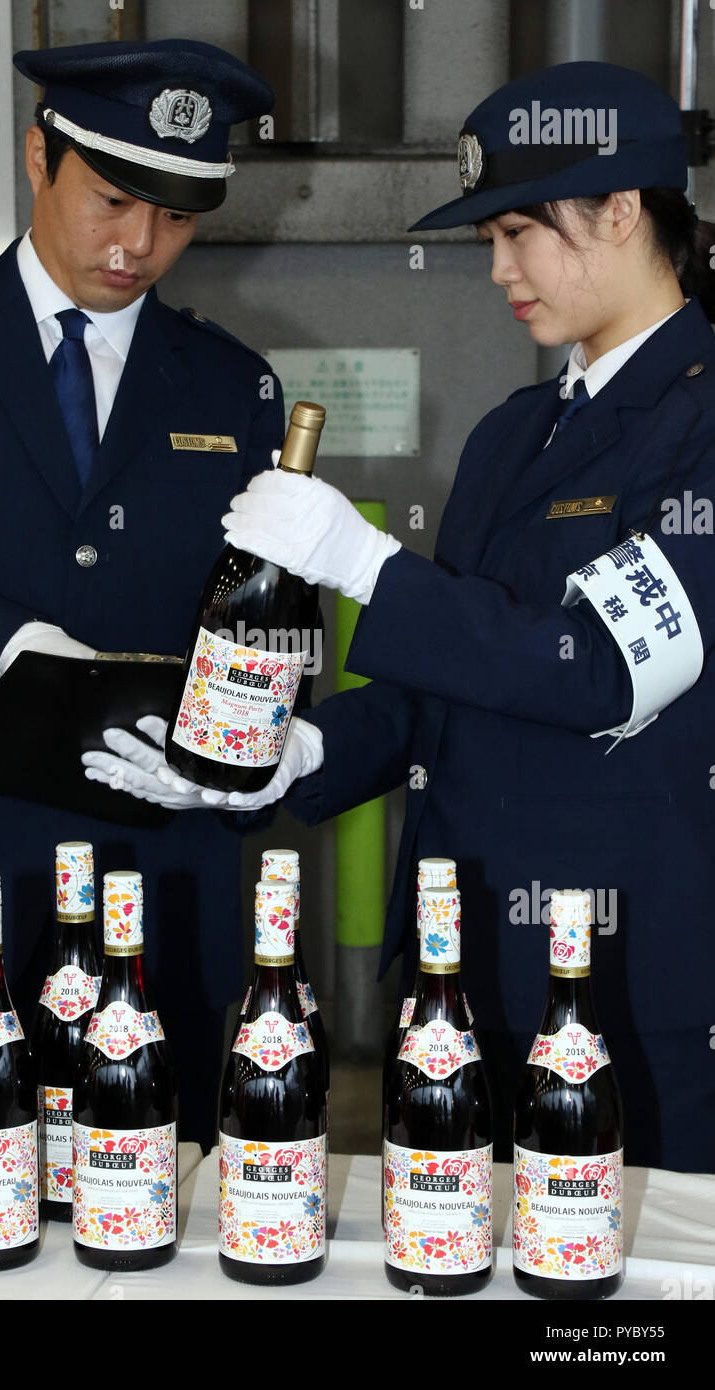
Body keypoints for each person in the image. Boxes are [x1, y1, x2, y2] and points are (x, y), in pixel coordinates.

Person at [98, 62, 715, 1173]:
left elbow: (597, 671)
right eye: (488, 237)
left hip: (632, 975)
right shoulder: (510, 436)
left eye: (521, 231)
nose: (498, 270)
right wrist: (302, 755)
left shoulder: (702, 421)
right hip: (459, 973)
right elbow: (458, 683)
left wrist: (365, 564)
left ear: (624, 210)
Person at [0, 38, 281, 1151]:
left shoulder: (234, 383)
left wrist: (237, 745)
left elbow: (255, 621)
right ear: (38, 157)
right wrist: (11, 644)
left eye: (177, 219)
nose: (139, 245)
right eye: (113, 199)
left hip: (148, 859)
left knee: (145, 1176)